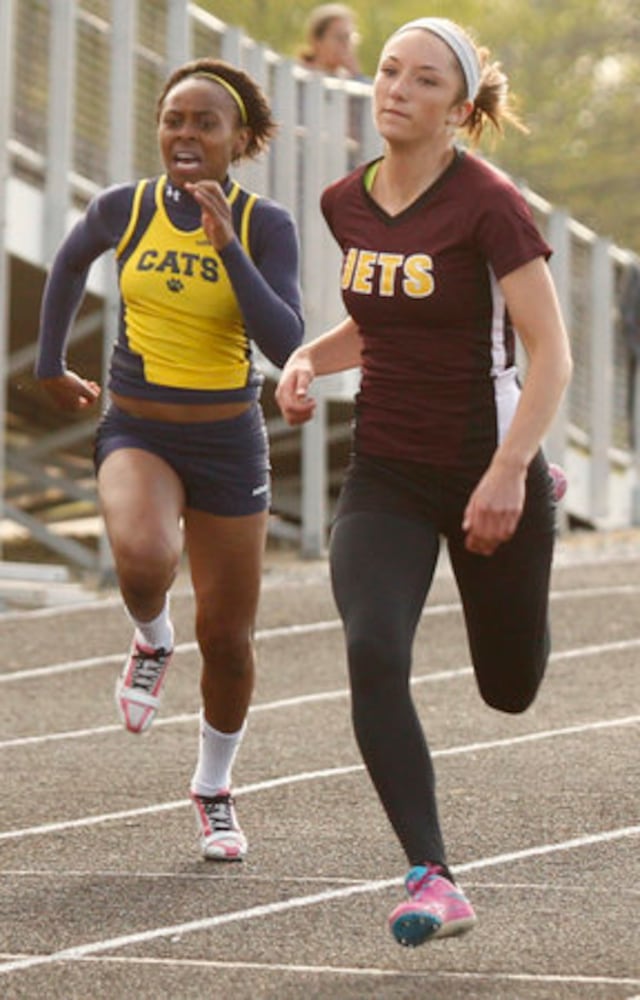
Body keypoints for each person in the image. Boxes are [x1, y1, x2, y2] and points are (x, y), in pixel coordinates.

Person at [276, 17, 572, 946]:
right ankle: (431, 874)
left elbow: (549, 351)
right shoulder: (344, 201)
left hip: (489, 468)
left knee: (509, 689)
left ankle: (542, 497)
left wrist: (511, 471)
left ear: (458, 106)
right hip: (388, 472)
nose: (396, 88)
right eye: (390, 71)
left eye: (424, 79)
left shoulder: (489, 202)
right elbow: (382, 315)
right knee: (371, 651)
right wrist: (304, 359)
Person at [35, 58, 304, 862]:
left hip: (228, 440)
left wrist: (228, 248)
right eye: (173, 121)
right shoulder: (127, 206)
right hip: (139, 429)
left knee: (228, 638)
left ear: (238, 141)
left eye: (204, 124)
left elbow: (287, 341)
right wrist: (50, 362)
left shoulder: (266, 224)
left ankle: (213, 789)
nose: (185, 135)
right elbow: (69, 261)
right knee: (145, 560)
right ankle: (151, 637)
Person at [297, 3, 363, 79]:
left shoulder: (348, 79)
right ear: (316, 40)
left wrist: (356, 76)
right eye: (339, 37)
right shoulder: (298, 75)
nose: (345, 44)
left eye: (348, 38)